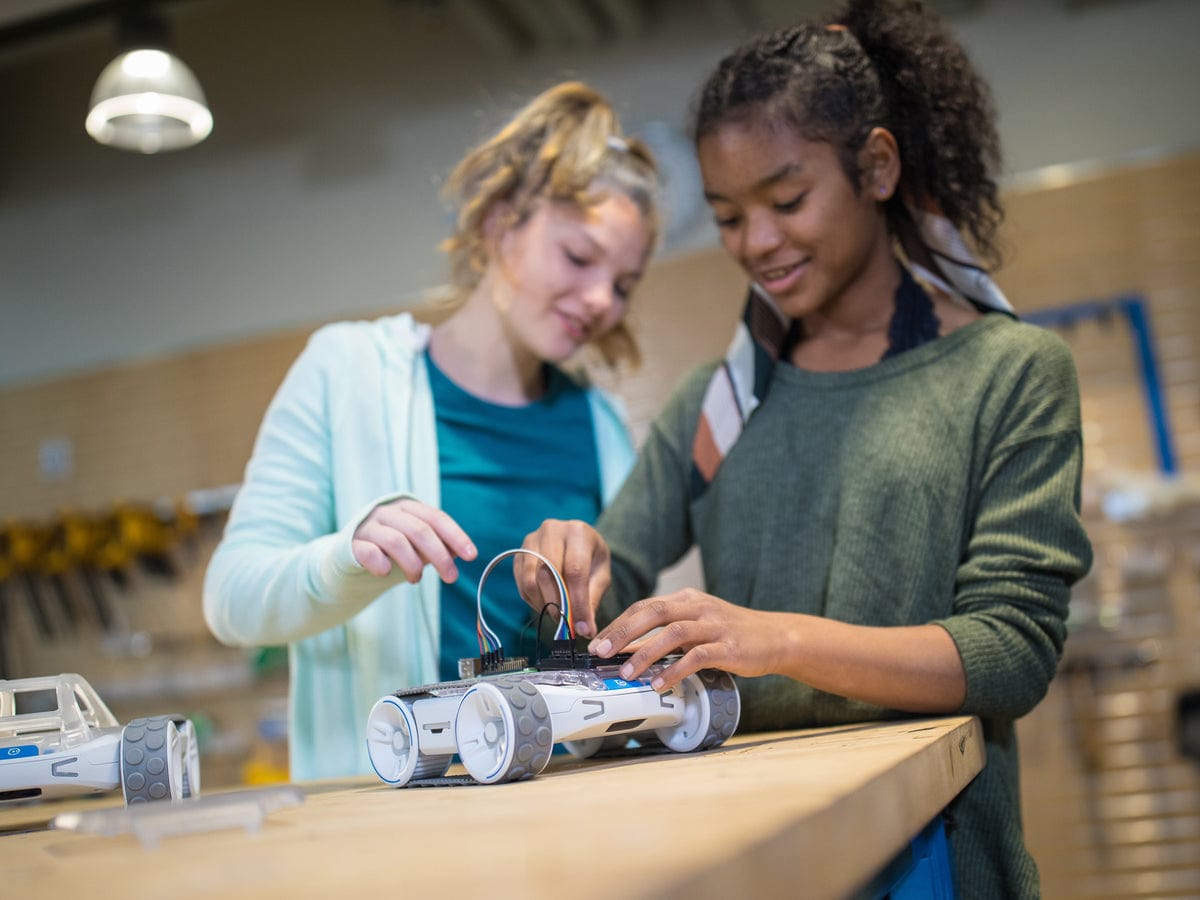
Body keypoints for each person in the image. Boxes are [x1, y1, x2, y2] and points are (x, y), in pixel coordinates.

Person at [516, 3, 1092, 897]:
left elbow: (1011, 653)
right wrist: (571, 574)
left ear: (876, 166)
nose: (758, 243)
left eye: (786, 201)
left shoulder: (1008, 373)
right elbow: (612, 579)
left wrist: (772, 639)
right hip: (758, 854)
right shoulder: (719, 401)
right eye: (729, 218)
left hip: (937, 854)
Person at [203, 81, 660, 781]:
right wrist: (351, 558)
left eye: (624, 283)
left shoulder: (602, 426)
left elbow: (626, 647)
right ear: (500, 222)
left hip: (573, 808)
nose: (602, 300)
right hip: (390, 831)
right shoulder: (345, 370)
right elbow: (231, 601)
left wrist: (600, 591)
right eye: (578, 257)